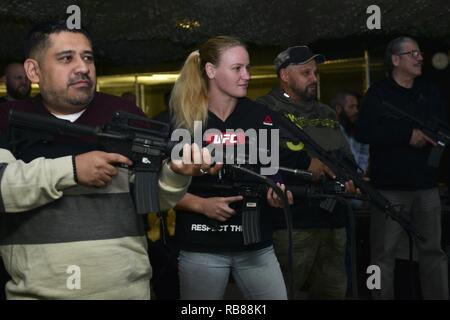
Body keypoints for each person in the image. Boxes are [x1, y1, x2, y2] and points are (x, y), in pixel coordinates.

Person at [0, 21, 217, 300]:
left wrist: (177, 174)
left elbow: (151, 199)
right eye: (66, 58)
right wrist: (73, 169)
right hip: (37, 292)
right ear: (34, 70)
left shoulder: (124, 113)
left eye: (87, 57)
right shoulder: (7, 118)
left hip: (126, 290)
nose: (82, 67)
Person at [169, 36, 299, 300]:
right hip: (201, 246)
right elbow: (163, 189)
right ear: (211, 70)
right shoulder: (184, 119)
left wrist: (278, 193)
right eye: (237, 68)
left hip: (256, 246)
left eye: (247, 68)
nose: (246, 76)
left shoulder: (261, 117)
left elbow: (272, 173)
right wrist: (201, 205)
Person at [257, 46, 356, 299]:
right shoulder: (264, 110)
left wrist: (352, 177)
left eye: (315, 73)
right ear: (285, 76)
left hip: (335, 219)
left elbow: (345, 155)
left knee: (334, 291)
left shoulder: (325, 112)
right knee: (283, 292)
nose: (314, 78)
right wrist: (305, 164)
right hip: (293, 221)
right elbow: (258, 155)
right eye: (306, 73)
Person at [355, 36, 449, 300]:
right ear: (396, 60)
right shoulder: (379, 94)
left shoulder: (428, 91)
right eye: (413, 53)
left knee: (433, 252)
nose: (420, 57)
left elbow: (440, 126)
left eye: (419, 52)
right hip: (389, 190)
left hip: (426, 187)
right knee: (383, 256)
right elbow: (364, 130)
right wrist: (406, 135)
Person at [331, 91, 369, 174]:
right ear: (338, 109)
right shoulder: (330, 132)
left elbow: (364, 157)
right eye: (351, 107)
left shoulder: (356, 130)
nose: (356, 111)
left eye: (357, 107)